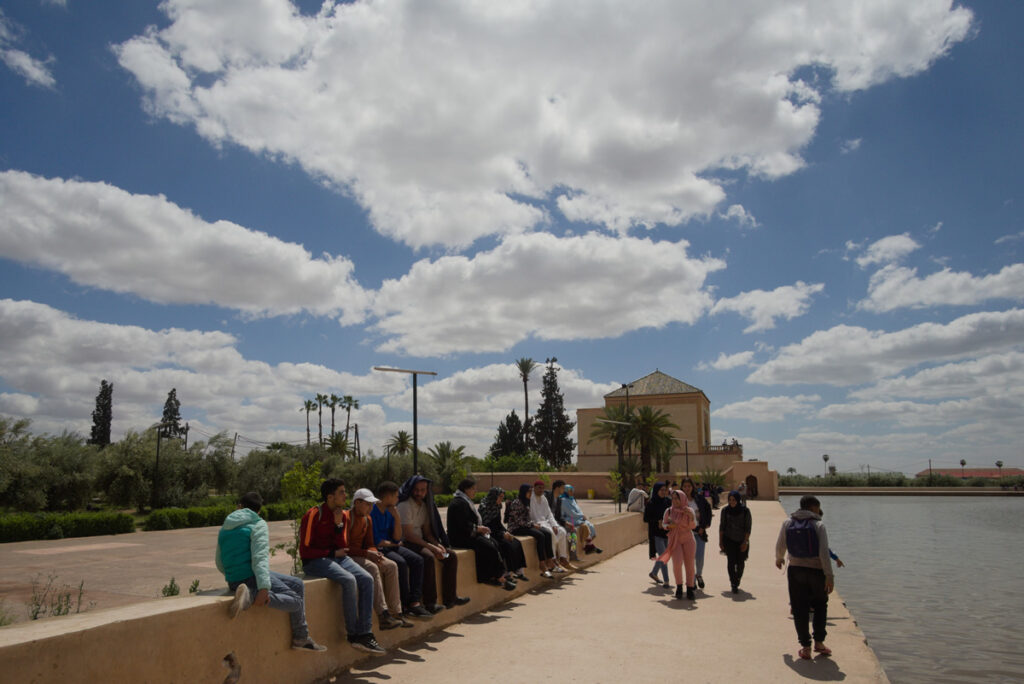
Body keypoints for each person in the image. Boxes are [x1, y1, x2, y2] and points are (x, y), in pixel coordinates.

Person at [216, 491, 327, 652]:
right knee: (296, 601)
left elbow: (219, 561)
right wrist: (262, 589)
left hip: (233, 579)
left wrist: (233, 575)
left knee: (297, 583)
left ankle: (301, 637)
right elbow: (259, 558)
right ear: (259, 511)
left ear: (239, 507)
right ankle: (250, 596)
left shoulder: (225, 527)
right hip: (252, 577)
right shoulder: (257, 523)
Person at [299, 479, 385, 654]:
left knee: (367, 579)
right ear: (330, 497)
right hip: (316, 561)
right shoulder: (314, 514)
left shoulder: (341, 516)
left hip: (337, 558)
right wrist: (331, 553)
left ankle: (365, 634)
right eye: (342, 492)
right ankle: (353, 635)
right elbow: (305, 551)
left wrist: (338, 525)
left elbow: (342, 545)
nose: (346, 495)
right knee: (349, 580)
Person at [397, 475, 470, 610]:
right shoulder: (404, 506)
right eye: (416, 490)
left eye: (423, 490)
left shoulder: (424, 506)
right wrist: (430, 547)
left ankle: (450, 598)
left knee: (450, 556)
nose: (419, 493)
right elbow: (408, 534)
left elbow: (427, 533)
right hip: (407, 543)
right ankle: (430, 602)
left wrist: (438, 545)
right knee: (428, 557)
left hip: (421, 541)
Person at [775, 495, 835, 660]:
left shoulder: (788, 522)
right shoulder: (818, 525)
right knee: (821, 606)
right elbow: (824, 553)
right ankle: (819, 643)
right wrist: (829, 576)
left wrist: (779, 558)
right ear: (813, 508)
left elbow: (780, 544)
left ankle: (805, 647)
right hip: (816, 571)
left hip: (795, 570)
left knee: (799, 608)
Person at [346, 487, 413, 630]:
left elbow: (370, 543)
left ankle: (396, 613)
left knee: (391, 566)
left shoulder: (367, 519)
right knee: (372, 567)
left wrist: (375, 553)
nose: (371, 507)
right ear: (357, 502)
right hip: (350, 556)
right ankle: (383, 615)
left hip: (364, 553)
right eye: (367, 504)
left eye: (371, 504)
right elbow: (344, 548)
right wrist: (367, 554)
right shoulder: (346, 518)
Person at [370, 480, 433, 618]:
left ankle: (415, 602)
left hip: (392, 546)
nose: (398, 499)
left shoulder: (390, 511)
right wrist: (394, 544)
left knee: (418, 560)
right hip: (380, 548)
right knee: (401, 563)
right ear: (388, 497)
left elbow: (397, 537)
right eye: (396, 496)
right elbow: (377, 541)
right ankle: (404, 605)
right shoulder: (372, 511)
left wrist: (397, 517)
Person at [447, 478, 516, 590]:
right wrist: (478, 529)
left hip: (468, 534)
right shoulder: (459, 503)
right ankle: (491, 577)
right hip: (460, 537)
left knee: (493, 543)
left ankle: (499, 575)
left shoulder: (465, 501)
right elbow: (462, 525)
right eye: (473, 489)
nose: (475, 491)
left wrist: (479, 529)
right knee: (488, 546)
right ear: (466, 489)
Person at [505, 484, 557, 578]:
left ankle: (549, 560)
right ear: (524, 492)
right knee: (540, 535)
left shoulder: (526, 501)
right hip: (516, 528)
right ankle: (542, 564)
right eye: (529, 491)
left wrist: (533, 524)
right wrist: (532, 525)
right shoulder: (517, 503)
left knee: (547, 533)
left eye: (531, 491)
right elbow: (518, 521)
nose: (530, 493)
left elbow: (527, 518)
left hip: (526, 526)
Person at [478, 487, 528, 580]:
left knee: (516, 542)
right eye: (500, 497)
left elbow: (498, 523)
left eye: (502, 497)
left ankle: (519, 571)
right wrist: (502, 534)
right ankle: (507, 572)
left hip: (498, 532)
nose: (501, 499)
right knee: (505, 545)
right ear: (494, 497)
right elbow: (487, 525)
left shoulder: (497, 506)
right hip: (489, 533)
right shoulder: (484, 507)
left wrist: (505, 532)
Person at [658, 489, 697, 600]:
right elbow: (664, 524)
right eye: (673, 498)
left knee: (689, 565)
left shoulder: (689, 510)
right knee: (677, 563)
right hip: (675, 539)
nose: (674, 500)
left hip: (688, 538)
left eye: (677, 498)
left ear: (682, 499)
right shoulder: (669, 511)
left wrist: (691, 517)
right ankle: (679, 586)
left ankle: (690, 588)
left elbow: (693, 526)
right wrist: (670, 526)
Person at [531, 480, 575, 571]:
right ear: (534, 488)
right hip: (538, 523)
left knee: (562, 531)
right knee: (551, 533)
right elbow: (533, 515)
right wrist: (544, 524)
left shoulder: (544, 498)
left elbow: (549, 514)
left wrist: (554, 524)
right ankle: (553, 560)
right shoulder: (532, 498)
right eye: (539, 488)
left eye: (542, 488)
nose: (541, 490)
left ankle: (563, 558)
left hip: (547, 522)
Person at [680, 477, 711, 590]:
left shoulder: (699, 499)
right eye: (685, 486)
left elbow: (707, 510)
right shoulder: (679, 501)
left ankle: (698, 575)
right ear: (682, 487)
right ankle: (691, 579)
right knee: (689, 558)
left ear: (692, 487)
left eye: (689, 486)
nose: (687, 488)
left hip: (700, 532)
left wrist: (705, 525)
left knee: (699, 557)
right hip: (686, 534)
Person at [719, 490, 752, 594]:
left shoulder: (745, 511)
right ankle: (733, 583)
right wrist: (720, 541)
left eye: (734, 500)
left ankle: (738, 578)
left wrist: (745, 542)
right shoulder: (725, 510)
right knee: (731, 562)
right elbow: (722, 526)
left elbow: (748, 528)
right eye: (730, 500)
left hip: (742, 540)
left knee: (740, 563)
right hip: (729, 540)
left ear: (738, 500)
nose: (732, 502)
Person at [559, 484, 602, 554]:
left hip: (576, 518)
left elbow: (578, 510)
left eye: (572, 491)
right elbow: (571, 513)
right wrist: (581, 516)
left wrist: (582, 515)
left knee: (590, 526)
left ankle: (589, 546)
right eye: (570, 491)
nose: (572, 492)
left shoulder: (572, 499)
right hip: (569, 519)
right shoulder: (563, 501)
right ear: (566, 491)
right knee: (584, 526)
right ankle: (589, 547)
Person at [643, 481, 671, 587]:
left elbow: (672, 514)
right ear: (656, 491)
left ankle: (654, 573)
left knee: (664, 555)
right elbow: (646, 518)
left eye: (665, 490)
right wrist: (657, 521)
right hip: (656, 534)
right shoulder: (651, 503)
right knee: (664, 556)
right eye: (661, 490)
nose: (664, 492)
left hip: (667, 533)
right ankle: (667, 580)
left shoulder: (668, 502)